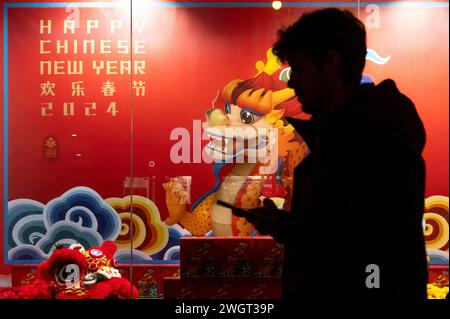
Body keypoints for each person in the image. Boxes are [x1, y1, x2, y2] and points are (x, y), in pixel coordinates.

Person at [232, 8, 428, 300]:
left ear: (331, 63)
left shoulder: (375, 144)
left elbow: (383, 258)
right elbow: (339, 236)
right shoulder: (336, 139)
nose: (291, 82)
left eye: (299, 67)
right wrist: (285, 226)